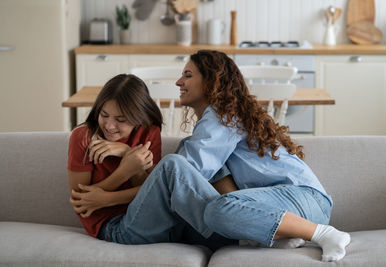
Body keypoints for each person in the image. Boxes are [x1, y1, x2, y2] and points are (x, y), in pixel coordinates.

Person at [70, 51, 350, 261]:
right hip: (281, 202)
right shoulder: (210, 129)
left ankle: (321, 233)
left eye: (188, 75)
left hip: (300, 198)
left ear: (211, 81)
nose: (179, 81)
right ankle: (269, 235)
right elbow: (200, 182)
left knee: (207, 198)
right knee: (203, 204)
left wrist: (122, 167)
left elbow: (178, 175)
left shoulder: (221, 117)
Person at [67, 73, 163, 238]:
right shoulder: (83, 137)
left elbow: (153, 192)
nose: (110, 126)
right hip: (111, 224)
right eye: (104, 115)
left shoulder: (149, 132)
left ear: (139, 117)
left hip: (146, 215)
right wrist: (125, 171)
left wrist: (126, 152)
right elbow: (81, 202)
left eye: (120, 119)